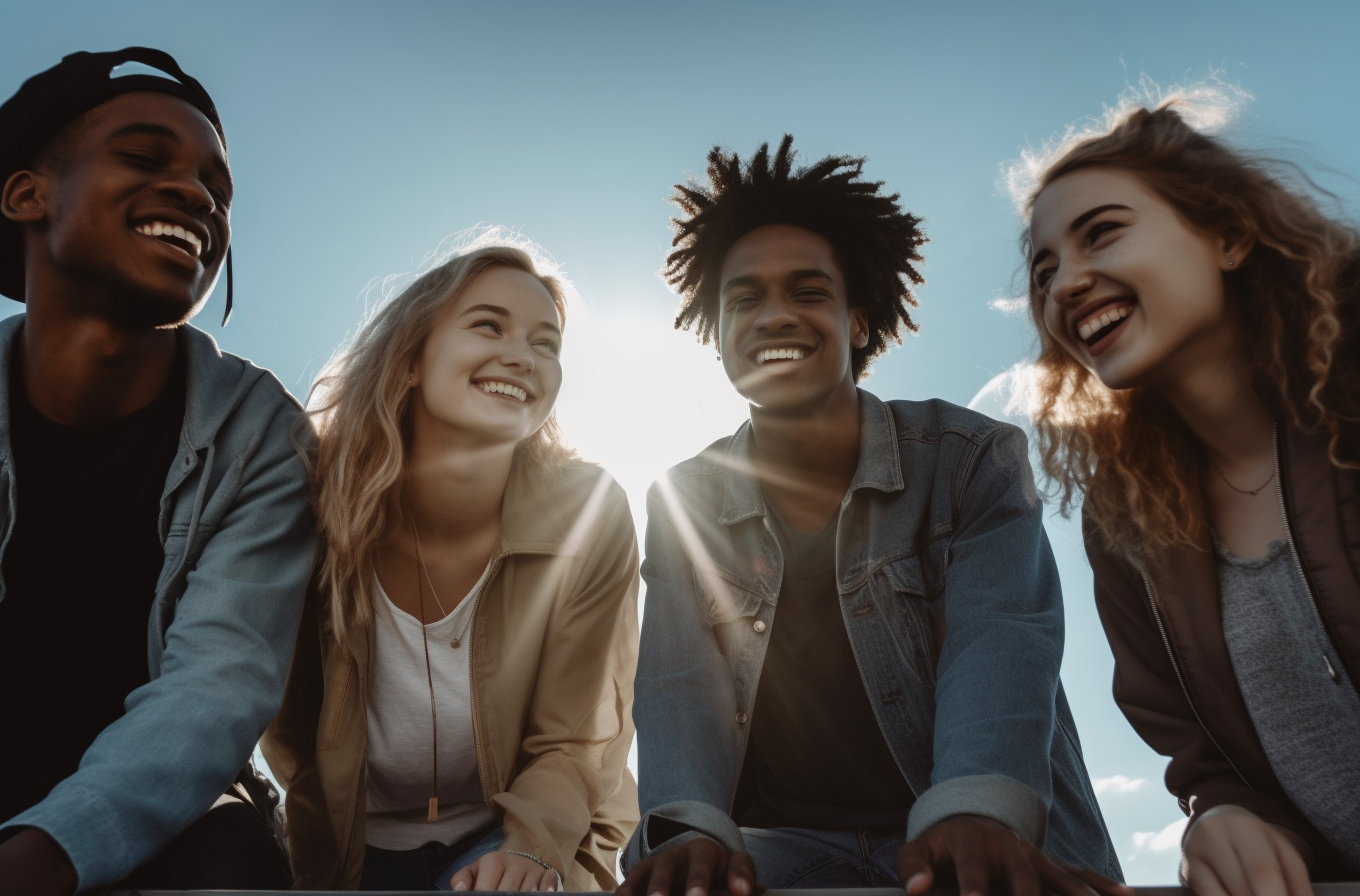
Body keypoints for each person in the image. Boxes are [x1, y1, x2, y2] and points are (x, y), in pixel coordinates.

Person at [619, 136, 1125, 896]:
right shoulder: (683, 497)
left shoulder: (969, 460)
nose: (775, 315)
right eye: (744, 299)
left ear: (859, 322)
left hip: (968, 835)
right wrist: (688, 832)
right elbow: (679, 680)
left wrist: (975, 810)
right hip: (782, 850)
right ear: (717, 335)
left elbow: (1003, 639)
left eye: (809, 291)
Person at [1019, 94, 1360, 894]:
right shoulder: (1127, 526)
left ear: (1230, 235)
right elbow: (1204, 760)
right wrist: (1222, 818)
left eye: (1101, 233)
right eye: (1044, 271)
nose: (1067, 282)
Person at [0, 48, 316, 894]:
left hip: (165, 813)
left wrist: (44, 856)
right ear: (26, 194)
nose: (196, 194)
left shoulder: (264, 436)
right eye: (144, 158)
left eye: (218, 189)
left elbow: (218, 687)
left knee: (230, 864)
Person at [262, 240, 640, 891]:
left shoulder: (590, 513)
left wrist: (532, 849)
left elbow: (577, 737)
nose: (522, 356)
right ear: (411, 359)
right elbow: (280, 718)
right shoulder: (311, 504)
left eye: (545, 343)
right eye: (488, 325)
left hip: (517, 831)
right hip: (351, 847)